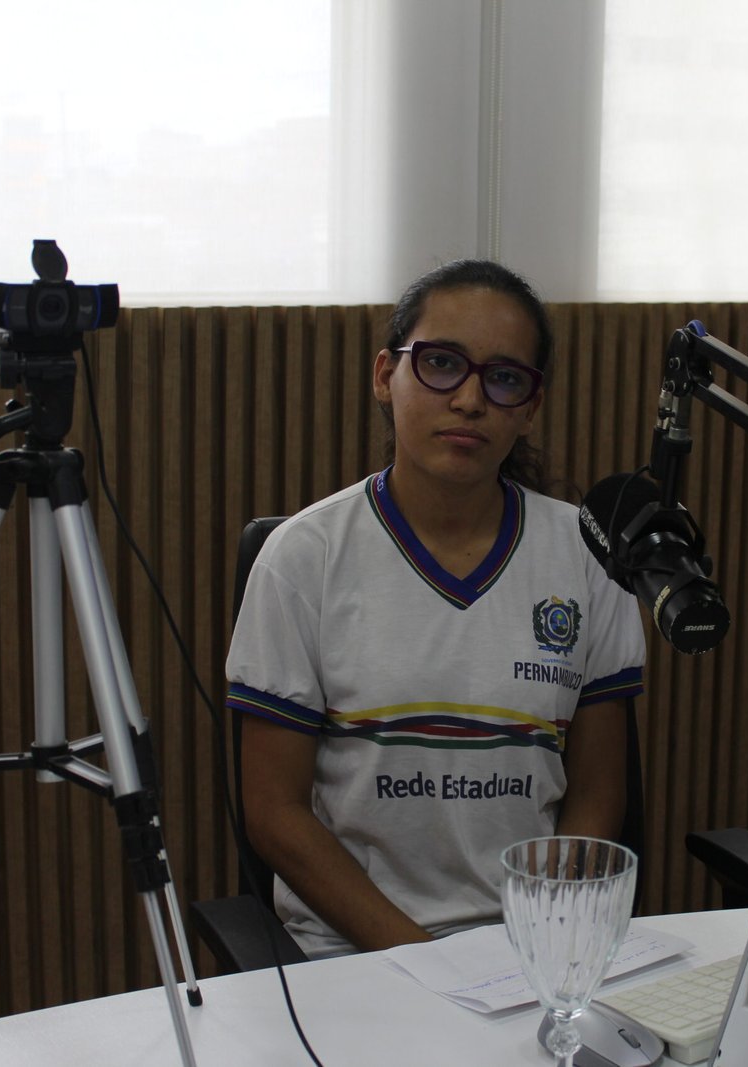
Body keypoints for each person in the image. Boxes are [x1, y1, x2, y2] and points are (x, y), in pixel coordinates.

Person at [224, 259, 647, 959]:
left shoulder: (586, 555)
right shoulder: (304, 558)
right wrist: (429, 963)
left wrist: (547, 938)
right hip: (356, 955)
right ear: (385, 374)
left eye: (504, 378)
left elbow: (598, 794)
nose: (470, 400)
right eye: (442, 364)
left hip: (534, 948)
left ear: (530, 407)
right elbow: (275, 813)